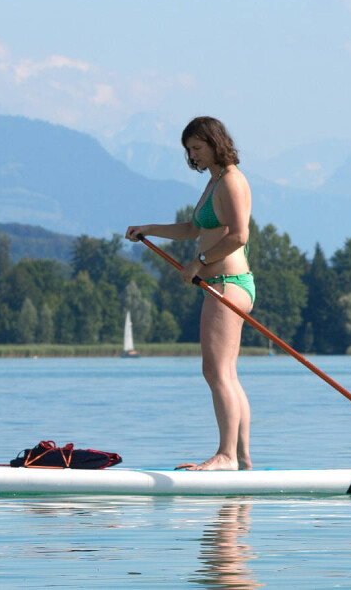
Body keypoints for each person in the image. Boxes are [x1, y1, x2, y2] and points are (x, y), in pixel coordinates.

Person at [127, 116, 258, 471]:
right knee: (225, 373)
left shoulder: (230, 181)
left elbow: (238, 236)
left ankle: (226, 456)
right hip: (226, 286)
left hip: (227, 286)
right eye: (189, 150)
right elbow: (192, 228)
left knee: (216, 372)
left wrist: (199, 263)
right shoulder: (215, 181)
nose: (193, 156)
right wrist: (149, 229)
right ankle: (243, 460)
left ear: (215, 143)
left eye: (197, 148)